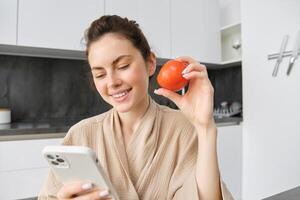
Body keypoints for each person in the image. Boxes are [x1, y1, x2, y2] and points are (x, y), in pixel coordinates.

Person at [38, 15, 234, 200]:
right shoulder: (80, 135)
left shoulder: (183, 127)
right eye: (100, 75)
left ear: (150, 63)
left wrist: (205, 127)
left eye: (123, 66)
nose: (112, 82)